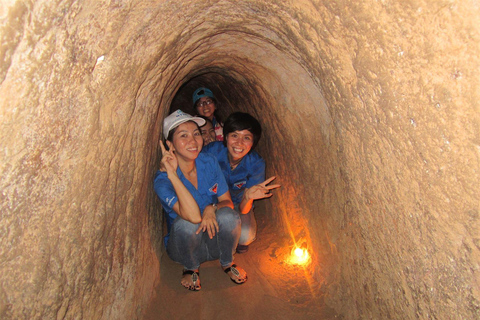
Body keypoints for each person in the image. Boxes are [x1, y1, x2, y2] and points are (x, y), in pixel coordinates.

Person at [154, 109, 248, 291]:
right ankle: (191, 268)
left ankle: (227, 262)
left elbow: (227, 201)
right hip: (184, 246)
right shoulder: (162, 180)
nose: (193, 140)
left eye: (196, 134)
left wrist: (211, 208)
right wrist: (173, 175)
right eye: (183, 135)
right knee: (186, 223)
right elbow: (193, 217)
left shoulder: (208, 161)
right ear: (169, 144)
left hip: (213, 240)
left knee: (229, 215)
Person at [202, 112, 280, 253]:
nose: (239, 143)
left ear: (253, 142)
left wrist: (248, 197)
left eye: (246, 138)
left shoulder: (255, 163)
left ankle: (231, 238)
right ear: (226, 137)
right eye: (234, 135)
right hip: (211, 201)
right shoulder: (212, 151)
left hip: (238, 204)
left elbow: (244, 209)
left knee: (245, 236)